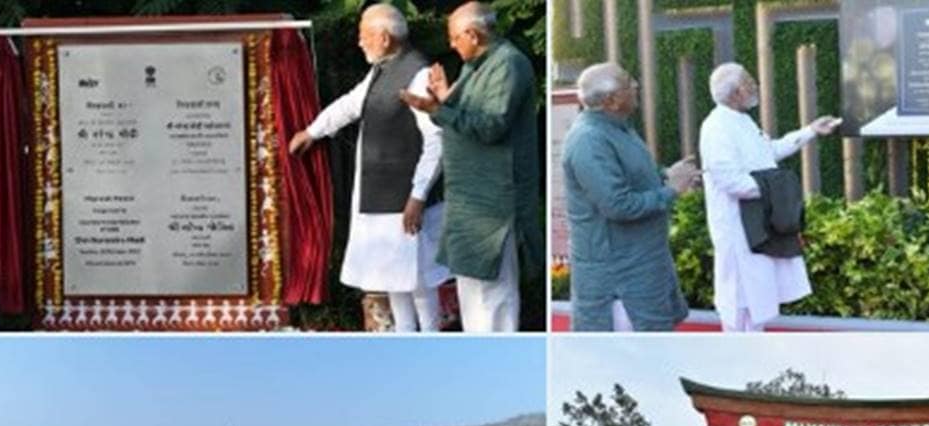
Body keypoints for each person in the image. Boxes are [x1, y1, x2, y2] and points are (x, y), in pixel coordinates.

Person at [289, 3, 448, 332]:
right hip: (382, 196)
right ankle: (405, 338)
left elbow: (437, 139)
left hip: (405, 199)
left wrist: (418, 196)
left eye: (364, 36)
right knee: (393, 277)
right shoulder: (383, 69)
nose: (359, 43)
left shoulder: (417, 75)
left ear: (384, 37)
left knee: (418, 280)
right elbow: (352, 103)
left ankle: (431, 339)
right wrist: (312, 131)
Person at [400, 1, 541, 332]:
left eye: (454, 38)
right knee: (471, 294)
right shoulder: (475, 65)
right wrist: (444, 98)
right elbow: (466, 116)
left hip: (495, 200)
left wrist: (436, 109)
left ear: (473, 34)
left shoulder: (508, 64)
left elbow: (491, 126)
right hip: (468, 198)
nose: (451, 45)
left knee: (494, 296)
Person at [699, 62, 840, 332]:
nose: (756, 86)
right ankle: (739, 362)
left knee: (759, 296)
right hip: (738, 227)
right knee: (741, 299)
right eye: (750, 81)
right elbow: (729, 180)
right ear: (737, 91)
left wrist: (811, 131)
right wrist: (775, 189)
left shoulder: (741, 120)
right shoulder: (716, 127)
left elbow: (768, 152)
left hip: (758, 223)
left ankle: (754, 357)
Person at [561, 62, 699, 332]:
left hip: (643, 265)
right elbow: (618, 205)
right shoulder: (589, 141)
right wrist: (671, 191)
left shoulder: (617, 128)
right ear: (611, 101)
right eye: (628, 82)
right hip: (620, 279)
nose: (636, 85)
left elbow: (635, 176)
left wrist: (666, 175)